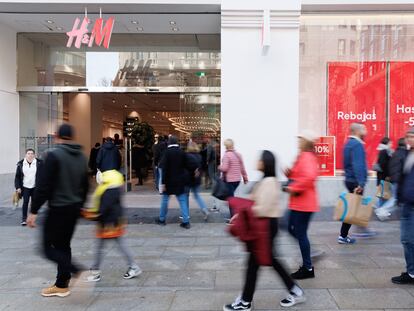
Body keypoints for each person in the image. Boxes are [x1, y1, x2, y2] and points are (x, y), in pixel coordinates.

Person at [224, 151, 305, 311]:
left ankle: (245, 302)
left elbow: (263, 208)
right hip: (264, 226)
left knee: (255, 263)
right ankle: (295, 291)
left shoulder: (269, 182)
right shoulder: (265, 180)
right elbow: (255, 202)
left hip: (265, 226)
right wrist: (240, 212)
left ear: (265, 163)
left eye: (260, 159)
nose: (257, 161)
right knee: (269, 261)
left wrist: (243, 212)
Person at [27, 124, 89, 298]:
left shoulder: (54, 156)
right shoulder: (81, 157)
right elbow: (85, 185)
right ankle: (62, 285)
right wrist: (81, 205)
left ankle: (76, 270)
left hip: (58, 209)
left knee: (46, 248)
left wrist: (33, 211)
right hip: (74, 209)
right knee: (63, 246)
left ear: (56, 136)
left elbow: (43, 186)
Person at [85, 170, 142, 282]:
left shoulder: (107, 192)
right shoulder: (115, 189)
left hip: (108, 224)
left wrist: (91, 215)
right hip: (114, 222)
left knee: (101, 248)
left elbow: (103, 210)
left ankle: (96, 271)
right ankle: (133, 267)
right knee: (118, 246)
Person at [283, 130, 319, 280]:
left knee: (299, 233)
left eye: (300, 139)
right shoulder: (302, 155)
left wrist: (293, 188)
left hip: (304, 203)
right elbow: (300, 175)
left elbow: (310, 177)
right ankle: (309, 258)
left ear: (306, 141)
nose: (298, 141)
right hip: (298, 203)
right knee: (289, 227)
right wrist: (289, 173)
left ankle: (308, 267)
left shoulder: (307, 156)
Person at [338, 123, 374, 243]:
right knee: (353, 208)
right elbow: (357, 165)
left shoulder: (348, 144)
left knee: (354, 207)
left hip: (350, 179)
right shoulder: (357, 144)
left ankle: (360, 229)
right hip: (355, 182)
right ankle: (345, 235)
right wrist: (361, 183)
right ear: (357, 131)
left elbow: (348, 164)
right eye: (364, 129)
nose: (366, 131)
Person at [392, 127, 414, 285]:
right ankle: (411, 271)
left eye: (411, 136)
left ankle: (412, 273)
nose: (408, 139)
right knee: (407, 240)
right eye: (407, 136)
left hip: (412, 204)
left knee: (408, 240)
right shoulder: (408, 154)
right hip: (407, 204)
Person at [155, 136, 191, 229]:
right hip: (180, 181)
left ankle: (162, 219)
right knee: (182, 201)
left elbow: (164, 169)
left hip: (168, 181)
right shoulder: (182, 152)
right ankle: (186, 222)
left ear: (169, 143)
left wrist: (162, 183)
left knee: (165, 201)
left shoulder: (166, 153)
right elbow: (187, 165)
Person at [218, 139, 248, 216]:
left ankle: (234, 217)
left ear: (226, 146)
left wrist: (219, 167)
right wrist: (245, 178)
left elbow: (224, 168)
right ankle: (235, 214)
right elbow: (242, 167)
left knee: (231, 199)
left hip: (229, 180)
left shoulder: (227, 155)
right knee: (230, 197)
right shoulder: (238, 155)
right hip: (237, 180)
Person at [14, 149, 42, 226]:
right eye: (28, 153)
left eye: (32, 153)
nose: (30, 155)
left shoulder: (39, 163)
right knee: (25, 202)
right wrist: (18, 187)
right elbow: (17, 177)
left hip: (35, 187)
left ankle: (32, 218)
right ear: (25, 155)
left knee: (34, 204)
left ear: (34, 155)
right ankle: (24, 219)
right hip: (25, 187)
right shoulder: (20, 164)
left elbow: (43, 176)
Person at [185, 142, 209, 221]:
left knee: (185, 197)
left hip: (188, 179)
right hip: (197, 178)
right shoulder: (199, 156)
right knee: (197, 196)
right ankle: (204, 209)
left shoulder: (187, 156)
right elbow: (201, 167)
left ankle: (186, 214)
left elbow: (185, 167)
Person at [374, 137, 394, 219]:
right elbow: (384, 165)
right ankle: (381, 211)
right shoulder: (385, 151)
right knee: (389, 196)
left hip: (382, 177)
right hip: (384, 177)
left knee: (382, 195)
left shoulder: (383, 151)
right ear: (387, 143)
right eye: (390, 143)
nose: (391, 144)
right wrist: (388, 175)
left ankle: (379, 211)